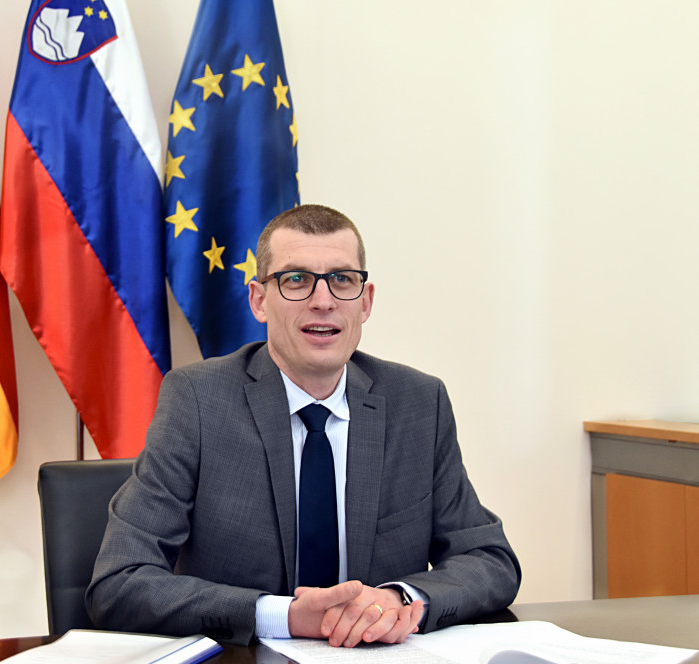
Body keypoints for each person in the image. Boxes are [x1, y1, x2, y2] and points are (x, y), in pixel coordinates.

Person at [86, 204, 521, 648]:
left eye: (342, 279)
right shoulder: (198, 401)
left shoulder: (418, 403)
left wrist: (402, 599)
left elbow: (490, 560)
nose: (323, 300)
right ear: (259, 300)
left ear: (365, 301)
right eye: (295, 280)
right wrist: (285, 616)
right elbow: (120, 581)